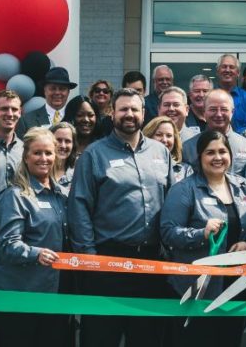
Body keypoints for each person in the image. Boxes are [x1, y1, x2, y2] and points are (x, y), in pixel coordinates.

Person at [67, 88, 172, 347]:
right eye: (123, 109)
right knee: (101, 336)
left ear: (143, 113)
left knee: (146, 337)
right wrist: (89, 258)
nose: (129, 114)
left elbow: (170, 203)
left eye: (134, 109)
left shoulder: (161, 153)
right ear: (112, 113)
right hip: (107, 262)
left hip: (151, 263)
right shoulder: (94, 154)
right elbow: (79, 206)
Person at [161, 130, 246, 347]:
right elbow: (168, 232)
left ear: (231, 155)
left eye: (223, 151)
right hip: (197, 288)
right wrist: (201, 234)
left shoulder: (245, 187)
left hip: (237, 286)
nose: (217, 157)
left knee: (230, 339)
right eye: (210, 152)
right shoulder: (184, 190)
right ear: (199, 157)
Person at [0, 127, 70, 347]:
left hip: (51, 292)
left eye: (48, 153)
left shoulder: (60, 195)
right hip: (19, 293)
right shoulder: (15, 195)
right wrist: (36, 253)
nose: (44, 158)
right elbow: (7, 245)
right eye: (37, 153)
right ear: (26, 156)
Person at [182, 89, 246, 176]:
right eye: (213, 109)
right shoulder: (188, 148)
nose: (219, 114)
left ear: (232, 112)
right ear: (204, 112)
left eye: (224, 109)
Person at [0, 90, 24, 204]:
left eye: (14, 109)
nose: (10, 114)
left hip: (18, 217)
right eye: (4, 109)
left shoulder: (25, 149)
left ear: (20, 113)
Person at [19, 67, 78, 136]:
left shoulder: (76, 119)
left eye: (62, 89)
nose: (57, 92)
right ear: (45, 90)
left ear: (68, 92)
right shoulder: (26, 120)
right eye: (52, 88)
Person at [144, 115, 193, 184]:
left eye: (169, 136)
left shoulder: (185, 170)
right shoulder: (140, 166)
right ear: (148, 137)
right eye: (159, 135)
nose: (164, 140)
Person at [215, 54, 246, 132]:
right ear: (218, 71)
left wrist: (233, 135)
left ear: (238, 73)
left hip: (241, 141)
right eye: (224, 66)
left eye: (231, 67)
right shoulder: (209, 96)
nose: (227, 70)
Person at [51, 121, 77, 191]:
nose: (63, 145)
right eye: (58, 140)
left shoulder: (78, 174)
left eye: (67, 141)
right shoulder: (39, 171)